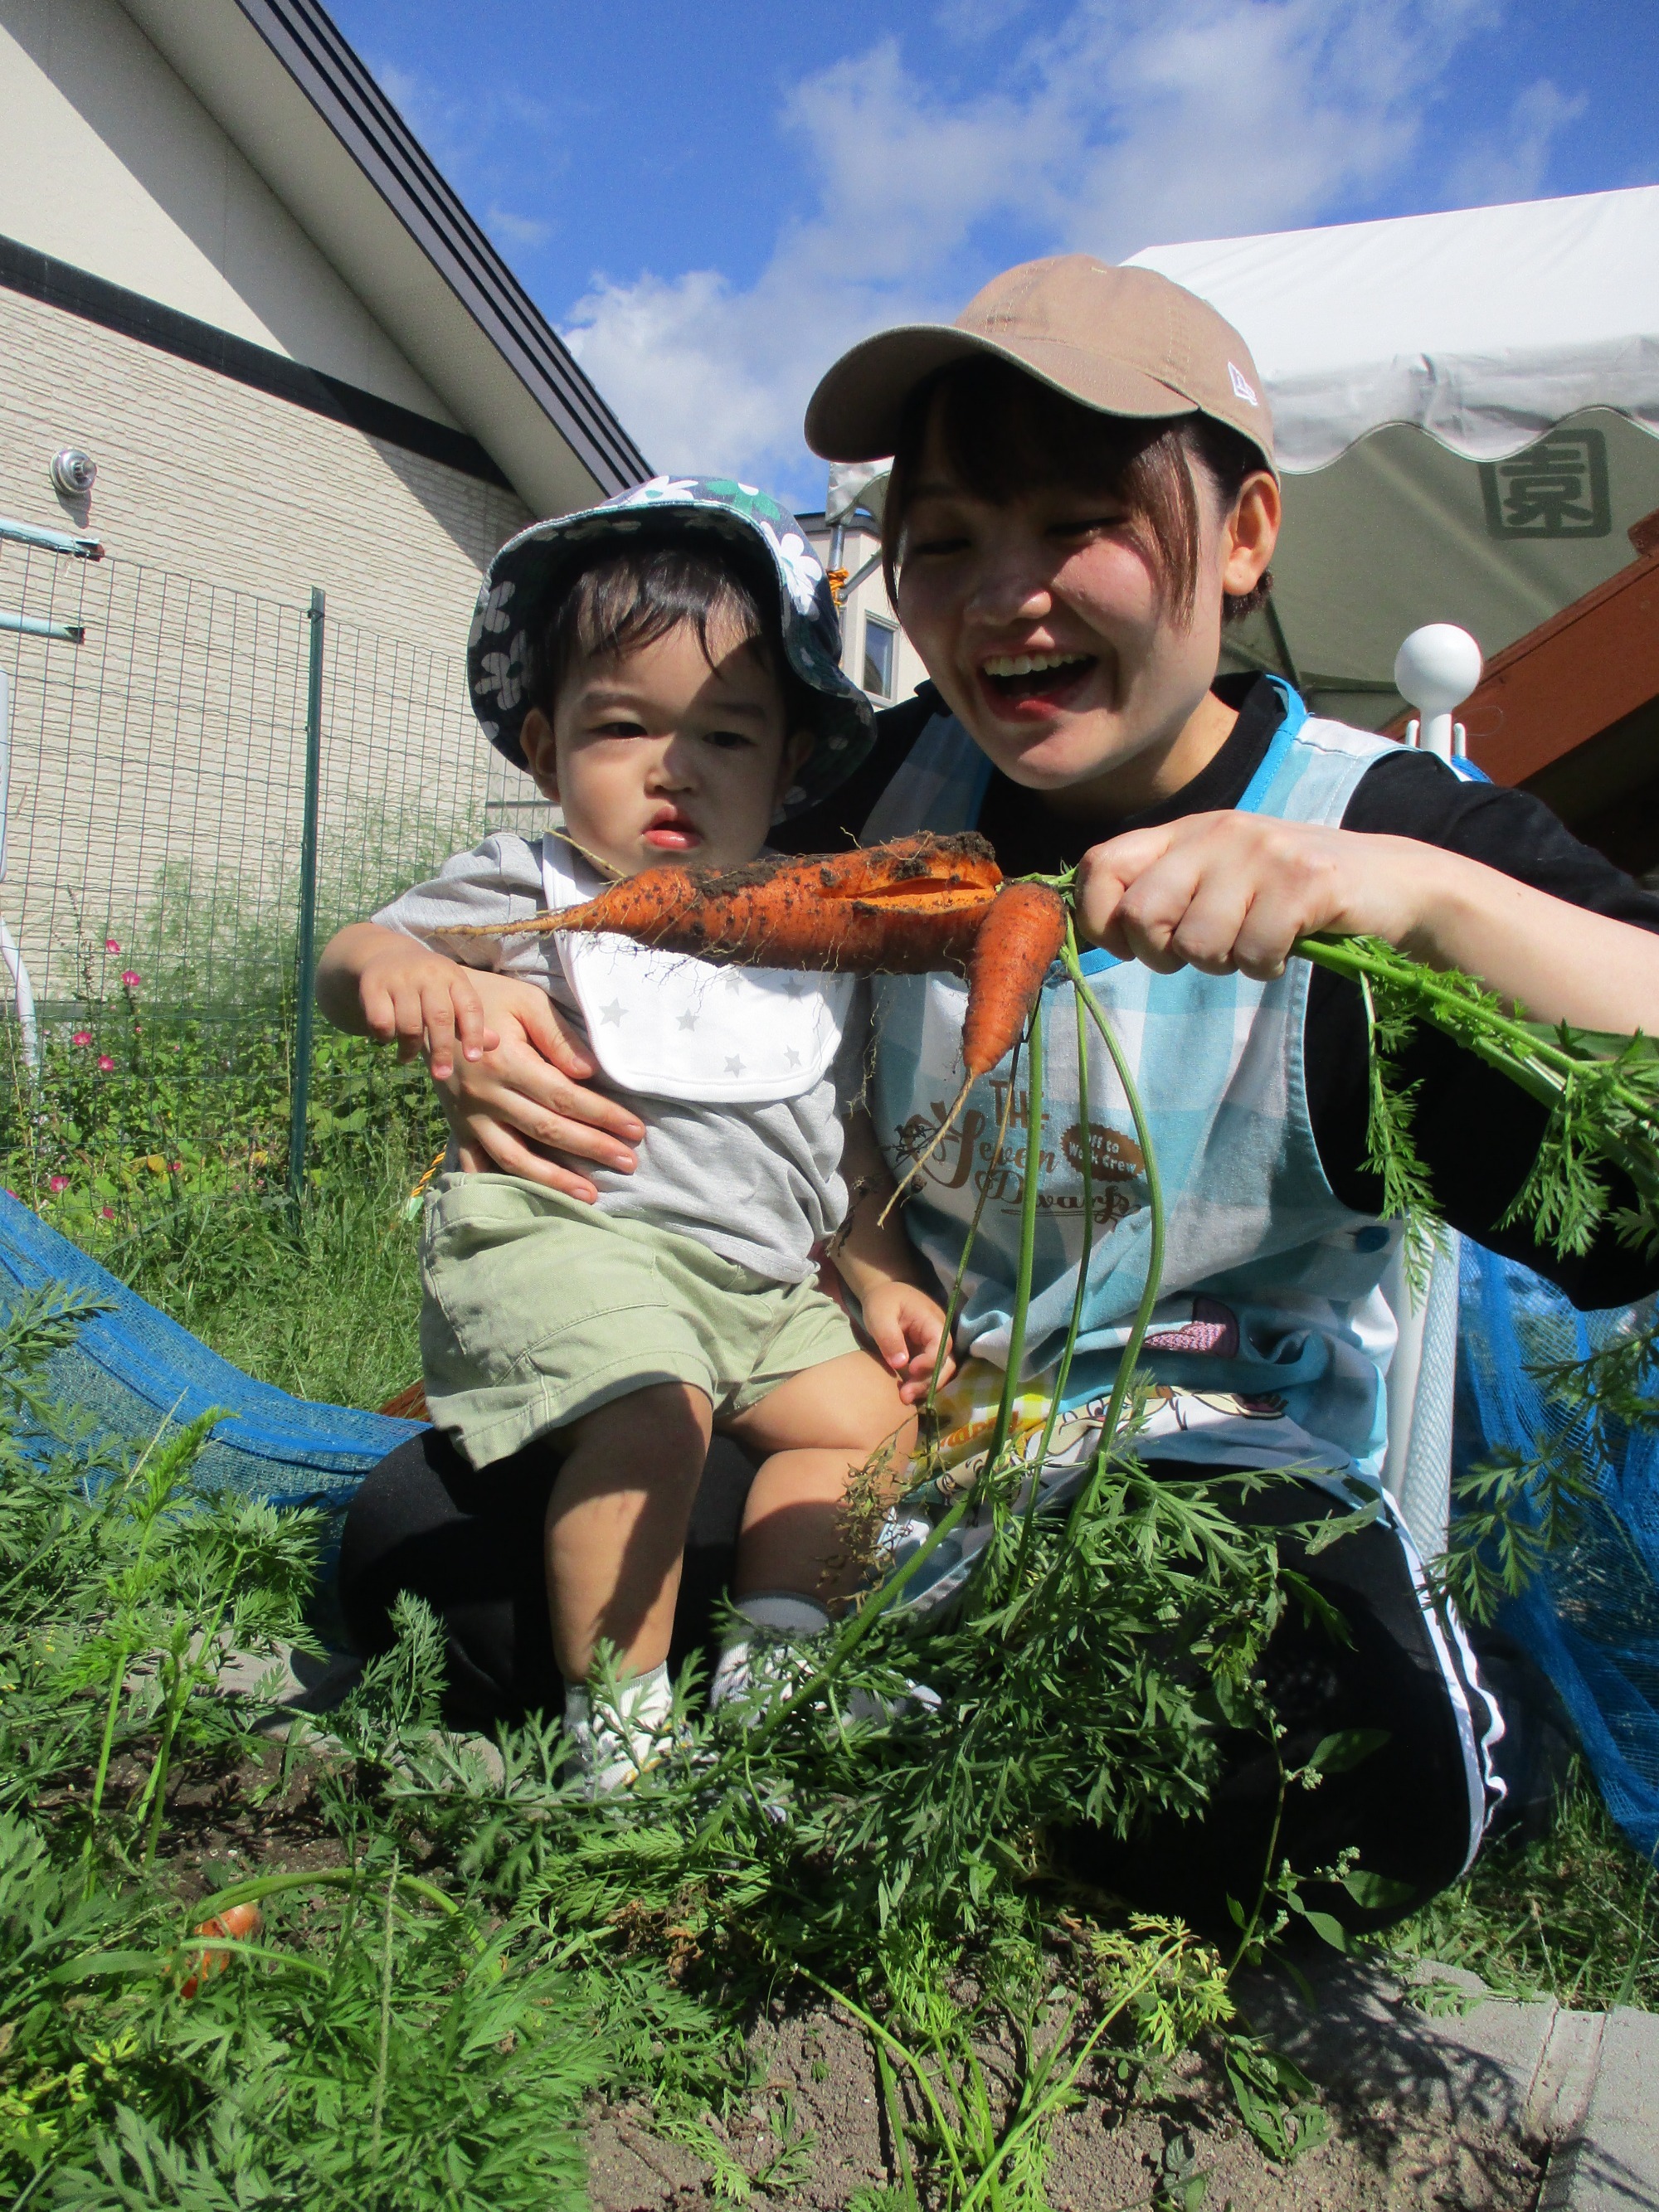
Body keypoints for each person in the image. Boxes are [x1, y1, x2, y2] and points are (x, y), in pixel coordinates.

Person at [338, 261, 1659, 1923]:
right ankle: (857, 1749)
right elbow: (682, 1003)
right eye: (947, 541)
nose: (1002, 595)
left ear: (1242, 535)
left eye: (1076, 522)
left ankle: (918, 1762)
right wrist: (522, 1064)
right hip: (890, 1434)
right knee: (423, 1542)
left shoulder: (1386, 831)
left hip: (1183, 1481)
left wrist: (1419, 899)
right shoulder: (882, 788)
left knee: (1300, 1730)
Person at [319, 479, 953, 1785]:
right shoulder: (529, 887)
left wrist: (886, 1280)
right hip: (577, 1245)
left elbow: (842, 1147)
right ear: (547, 749)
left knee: (876, 1438)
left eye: (727, 738)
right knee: (654, 1414)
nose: (676, 768)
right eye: (624, 728)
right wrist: (413, 979)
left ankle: (780, 1656)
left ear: (787, 767)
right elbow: (352, 953)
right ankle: (619, 1730)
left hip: (758, 1291)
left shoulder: (805, 930)